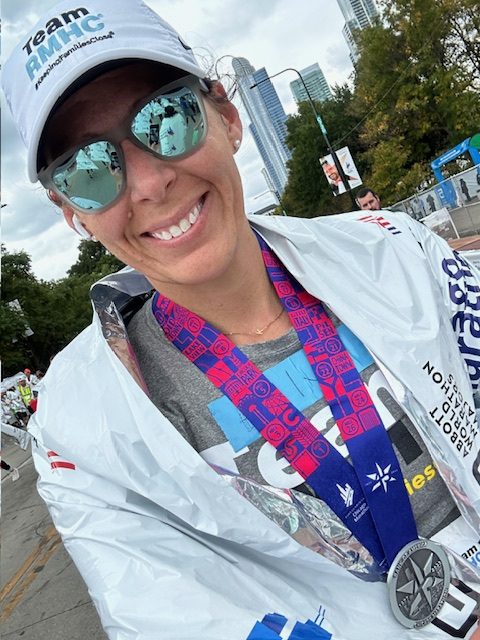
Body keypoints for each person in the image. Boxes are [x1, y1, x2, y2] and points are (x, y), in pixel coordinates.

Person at [3, 2, 480, 639]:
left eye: (166, 118)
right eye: (88, 171)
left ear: (226, 116)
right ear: (72, 213)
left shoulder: (396, 252)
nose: (148, 184)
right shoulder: (80, 431)